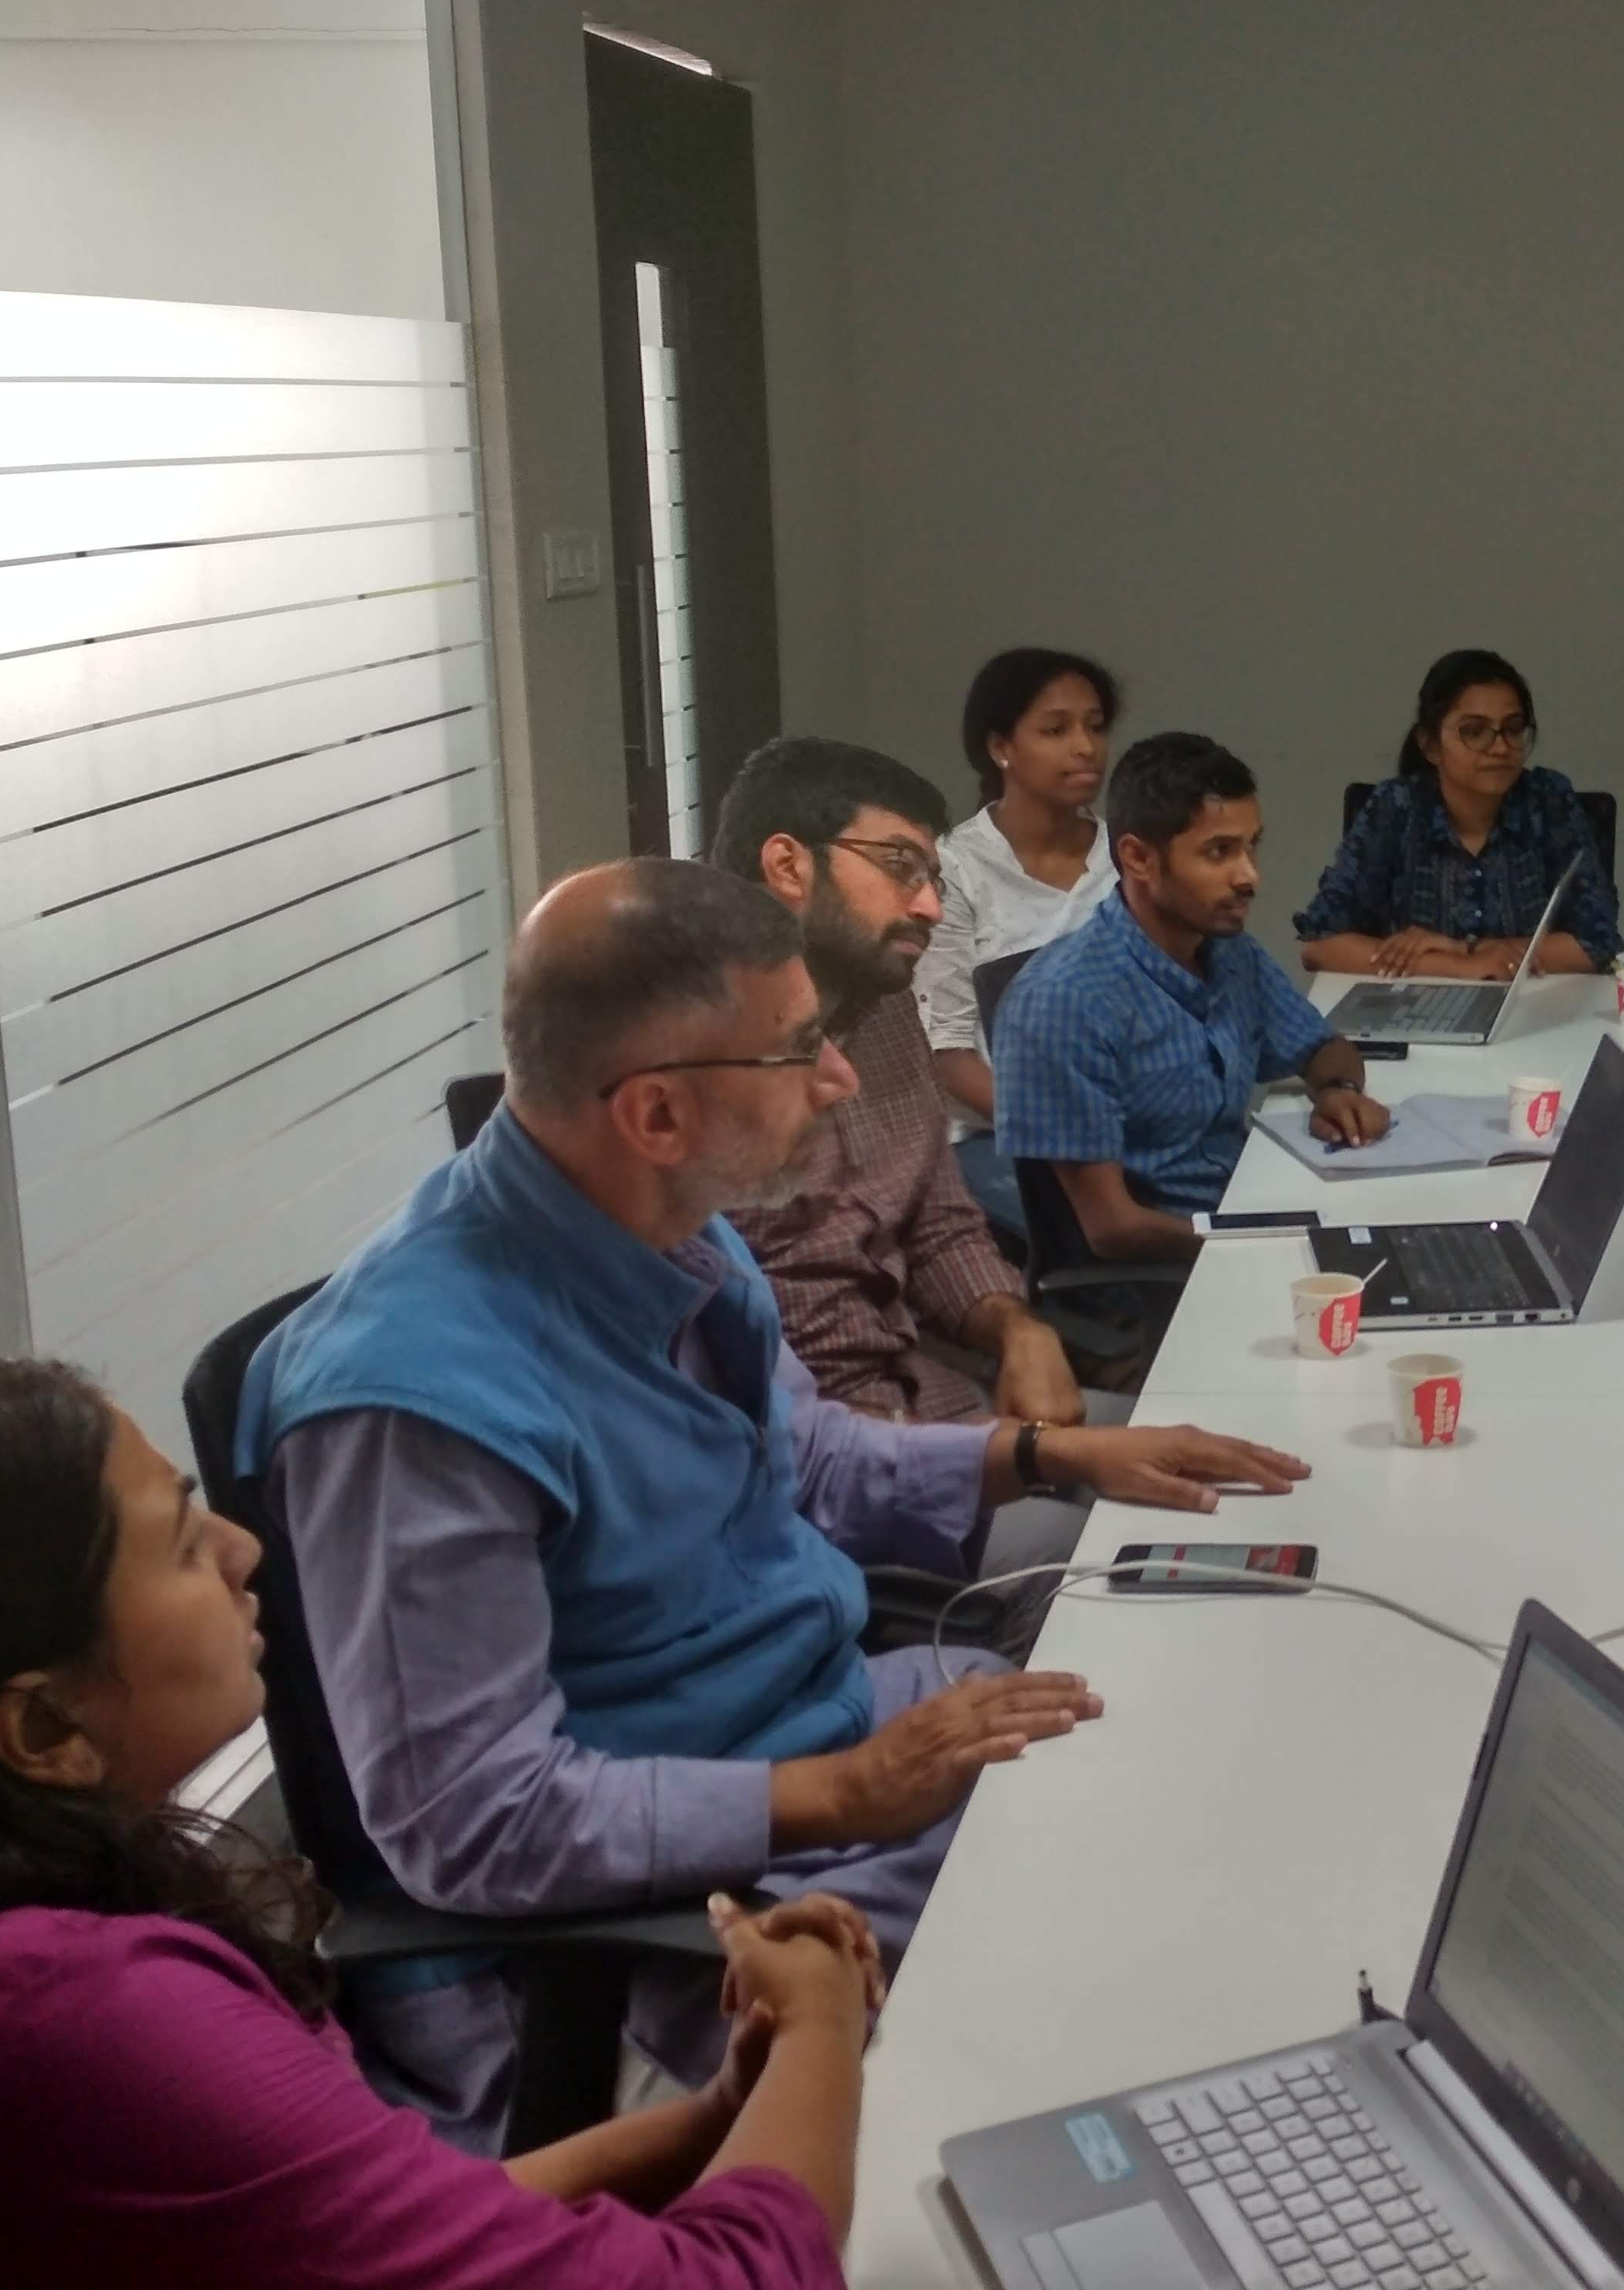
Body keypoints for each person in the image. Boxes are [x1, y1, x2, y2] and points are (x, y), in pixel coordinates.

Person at [237, 858, 1306, 2148]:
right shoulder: (412, 1399)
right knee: (1143, 2013)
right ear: (657, 1112)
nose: (841, 1077)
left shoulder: (676, 1229)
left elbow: (812, 1469)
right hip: (665, 1926)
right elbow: (475, 1824)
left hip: (822, 1742)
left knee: (1207, 1800)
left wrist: (1051, 1456)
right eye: (800, 1049)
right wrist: (842, 1794)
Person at [0, 1353, 878, 2285]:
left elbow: (405, 2222)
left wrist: (724, 2109)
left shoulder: (24, 1928)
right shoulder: (92, 2026)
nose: (241, 1550)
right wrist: (821, 2025)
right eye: (181, 1545)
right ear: (46, 1728)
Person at [711, 733, 1085, 1435]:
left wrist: (1018, 1329)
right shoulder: (687, 1058)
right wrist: (969, 1459)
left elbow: (939, 1226)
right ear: (788, 865)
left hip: (926, 1403)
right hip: (798, 1456)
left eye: (932, 879)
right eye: (898, 866)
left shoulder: (888, 1011)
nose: (931, 907)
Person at [998, 732, 1390, 1261]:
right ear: (1138, 858)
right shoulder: (1065, 1002)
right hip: (1168, 1272)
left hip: (1246, 1202)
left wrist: (1337, 1089)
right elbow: (1114, 1230)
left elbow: (1322, 1046)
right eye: (1219, 852)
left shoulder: (1227, 951)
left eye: (1252, 846)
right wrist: (1267, 1240)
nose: (1249, 876)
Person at [913, 649, 1122, 1239]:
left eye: (1095, 727)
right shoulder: (955, 871)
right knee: (1113, 1234)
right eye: (1056, 730)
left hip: (1129, 1124)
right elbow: (950, 1056)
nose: (1085, 746)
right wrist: (1070, 1136)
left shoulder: (1129, 857)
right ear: (1001, 747)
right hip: (1000, 1137)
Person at [1292, 648, 1622, 979]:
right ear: (1430, 745)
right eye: (1475, 732)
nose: (1500, 748)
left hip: (1532, 1003)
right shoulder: (1396, 808)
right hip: (1415, 1005)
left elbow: (1598, 942)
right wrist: (1460, 966)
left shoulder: (1548, 802)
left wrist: (1465, 948)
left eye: (1512, 729)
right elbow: (1321, 944)